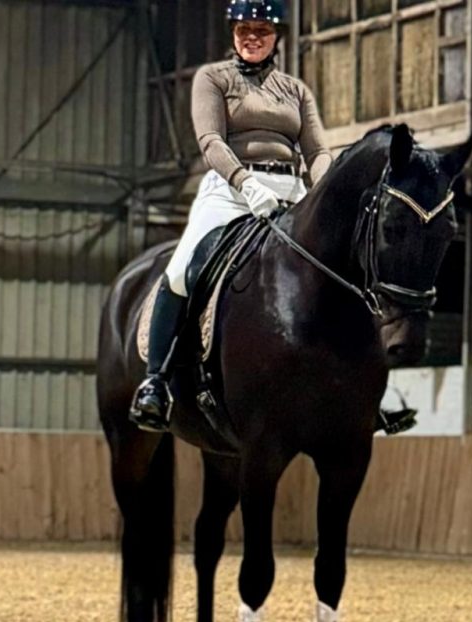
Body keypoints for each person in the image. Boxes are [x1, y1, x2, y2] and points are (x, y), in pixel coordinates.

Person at [129, 0, 332, 433]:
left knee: (337, 267)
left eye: (262, 29)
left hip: (290, 190)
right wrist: (246, 182)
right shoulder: (213, 78)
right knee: (183, 270)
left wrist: (325, 190)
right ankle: (156, 383)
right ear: (233, 34)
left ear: (277, 36)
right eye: (244, 30)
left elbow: (316, 151)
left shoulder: (295, 91)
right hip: (229, 190)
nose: (252, 37)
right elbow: (210, 140)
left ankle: (357, 388)